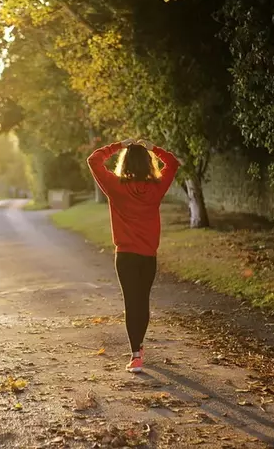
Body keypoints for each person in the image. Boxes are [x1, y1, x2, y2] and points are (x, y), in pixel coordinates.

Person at [87, 138, 181, 373]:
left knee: (132, 303)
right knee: (143, 301)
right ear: (148, 164)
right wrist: (153, 148)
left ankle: (136, 354)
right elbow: (173, 162)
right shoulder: (157, 187)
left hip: (126, 256)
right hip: (148, 256)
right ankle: (139, 346)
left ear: (125, 162)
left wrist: (119, 145)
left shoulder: (115, 186)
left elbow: (93, 160)